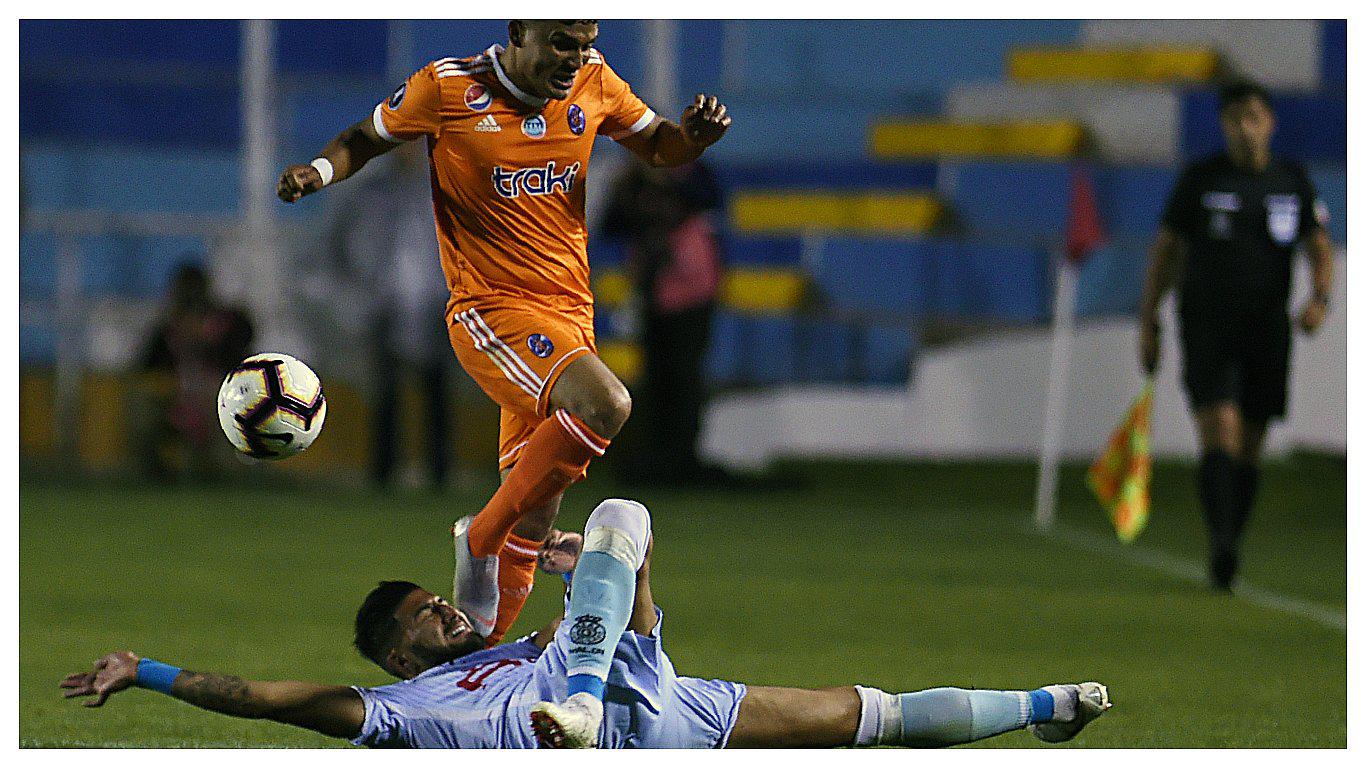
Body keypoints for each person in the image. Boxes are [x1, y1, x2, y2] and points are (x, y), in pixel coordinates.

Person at [276, 20, 732, 643]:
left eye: (586, 42)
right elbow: (367, 137)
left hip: (570, 314)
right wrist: (319, 172)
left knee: (538, 518)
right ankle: (480, 537)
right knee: (606, 404)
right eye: (562, 43)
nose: (576, 58)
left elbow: (659, 147)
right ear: (520, 32)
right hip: (490, 311)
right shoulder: (448, 87)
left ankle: (478, 667)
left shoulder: (595, 83)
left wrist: (693, 141)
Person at [60, 498, 1112, 749]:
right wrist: (147, 669)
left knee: (861, 715)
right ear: (395, 654)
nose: (441, 612)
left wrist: (613, 567)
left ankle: (1042, 708)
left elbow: (643, 619)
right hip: (558, 736)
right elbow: (267, 699)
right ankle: (575, 701)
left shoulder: (523, 636)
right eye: (424, 617)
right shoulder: (396, 709)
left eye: (436, 601)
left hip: (630, 697)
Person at [1139, 79, 1335, 591]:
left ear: (1270, 121)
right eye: (1235, 118)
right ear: (1224, 125)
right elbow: (1166, 250)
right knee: (1220, 425)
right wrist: (1150, 319)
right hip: (1206, 324)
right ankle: (1220, 544)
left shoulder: (1292, 181)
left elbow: (1319, 246)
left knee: (1251, 442)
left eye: (1254, 116)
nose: (1245, 127)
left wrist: (1319, 299)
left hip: (1267, 329)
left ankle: (1230, 541)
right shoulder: (1202, 180)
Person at [327, 145, 454, 488]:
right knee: (385, 392)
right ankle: (383, 470)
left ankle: (438, 471)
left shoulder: (445, 186)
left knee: (437, 389)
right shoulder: (371, 192)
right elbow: (338, 243)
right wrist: (360, 287)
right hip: (383, 304)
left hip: (436, 302)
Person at [601, 161, 725, 486]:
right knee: (656, 379)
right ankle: (658, 460)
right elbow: (611, 223)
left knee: (684, 380)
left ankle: (682, 459)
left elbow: (711, 198)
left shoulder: (691, 175)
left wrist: (664, 187)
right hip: (654, 294)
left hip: (690, 295)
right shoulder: (633, 180)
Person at [135, 261, 254, 480]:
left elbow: (243, 364)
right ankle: (157, 471)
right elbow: (146, 369)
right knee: (144, 403)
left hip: (217, 402)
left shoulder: (229, 328)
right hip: (176, 399)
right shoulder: (167, 333)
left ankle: (224, 472)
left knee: (222, 407)